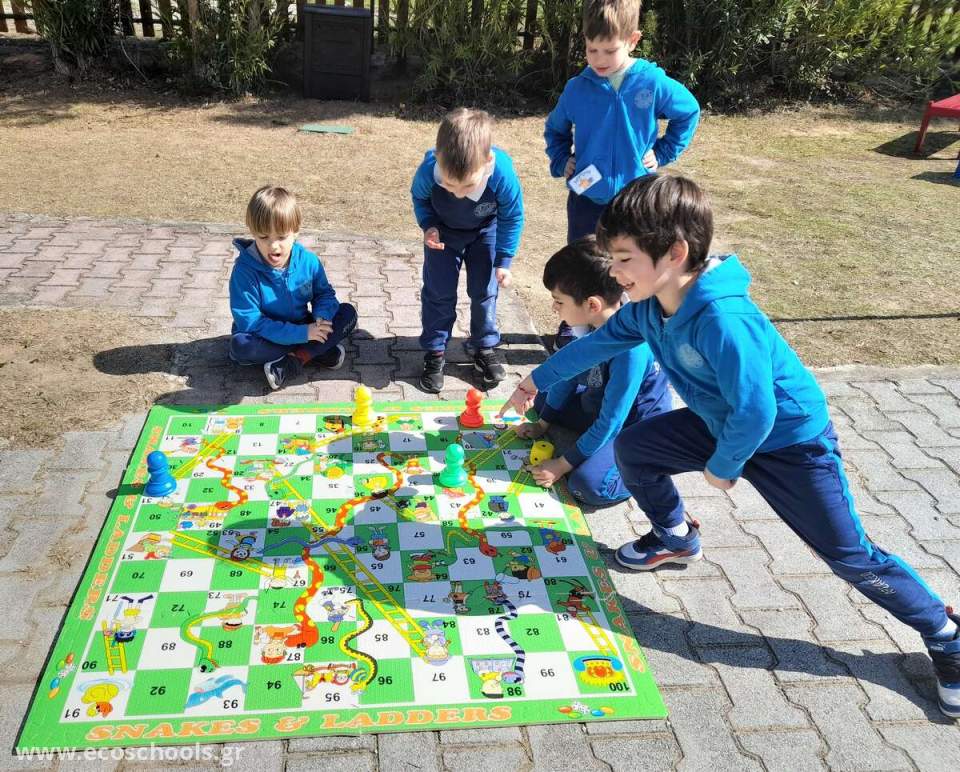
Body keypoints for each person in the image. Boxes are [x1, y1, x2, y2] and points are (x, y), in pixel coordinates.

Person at [499, 173, 960, 719]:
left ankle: (944, 634)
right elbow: (595, 345)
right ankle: (674, 537)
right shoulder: (648, 308)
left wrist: (724, 465)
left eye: (624, 259)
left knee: (849, 555)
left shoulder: (723, 317)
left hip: (791, 443)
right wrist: (535, 382)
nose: (616, 273)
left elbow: (758, 410)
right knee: (637, 450)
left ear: (675, 253)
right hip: (724, 423)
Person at [544, 0, 699, 349]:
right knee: (583, 262)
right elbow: (555, 130)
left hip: (634, 201)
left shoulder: (651, 82)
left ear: (632, 40)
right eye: (591, 49)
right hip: (587, 199)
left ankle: (630, 329)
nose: (599, 59)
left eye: (609, 50)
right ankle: (575, 328)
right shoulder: (577, 88)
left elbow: (688, 111)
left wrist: (662, 152)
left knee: (632, 263)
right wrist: (561, 160)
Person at [515, 237, 670, 507]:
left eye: (559, 301)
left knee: (586, 485)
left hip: (635, 425)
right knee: (544, 401)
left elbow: (612, 421)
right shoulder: (588, 323)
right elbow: (566, 376)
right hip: (601, 403)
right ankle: (587, 440)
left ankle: (648, 469)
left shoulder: (631, 350)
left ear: (592, 305)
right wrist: (543, 424)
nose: (554, 308)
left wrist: (562, 465)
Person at [411, 107, 524, 393]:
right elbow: (420, 199)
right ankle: (435, 350)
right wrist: (429, 225)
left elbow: (512, 216)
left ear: (488, 161)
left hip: (486, 232)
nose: (458, 193)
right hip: (443, 234)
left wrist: (504, 260)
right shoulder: (428, 170)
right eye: (449, 184)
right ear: (438, 158)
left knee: (484, 290)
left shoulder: (501, 173)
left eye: (468, 186)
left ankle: (483, 346)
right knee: (438, 292)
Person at [228, 185, 357, 390]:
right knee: (241, 346)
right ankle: (316, 351)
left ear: (295, 232)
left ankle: (295, 360)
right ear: (253, 232)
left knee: (348, 313)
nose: (273, 246)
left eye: (281, 237)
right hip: (265, 334)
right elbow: (251, 322)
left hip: (303, 324)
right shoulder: (244, 271)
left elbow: (324, 294)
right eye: (264, 237)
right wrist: (303, 334)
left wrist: (321, 317)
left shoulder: (308, 261)